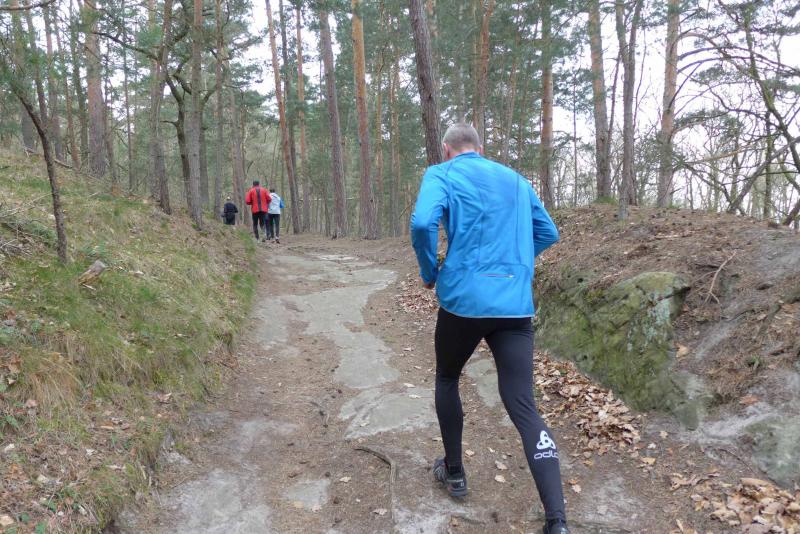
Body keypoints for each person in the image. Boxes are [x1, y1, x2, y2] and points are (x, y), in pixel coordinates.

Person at [410, 123, 569, 534]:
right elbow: (548, 232)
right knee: (523, 403)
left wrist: (430, 271)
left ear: (447, 149)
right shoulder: (516, 179)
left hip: (463, 301)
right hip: (514, 304)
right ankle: (557, 521)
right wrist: (514, 263)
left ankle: (455, 473)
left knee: (448, 377)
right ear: (479, 148)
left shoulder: (441, 173)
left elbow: (423, 223)